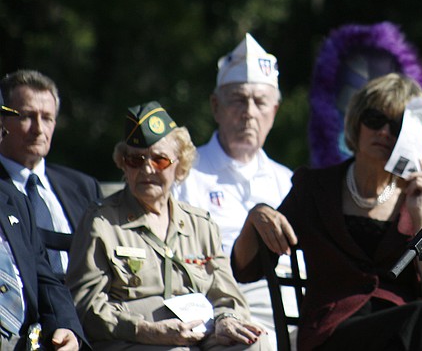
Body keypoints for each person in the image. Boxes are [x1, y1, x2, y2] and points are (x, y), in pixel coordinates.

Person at [231, 73, 422, 351]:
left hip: (411, 333)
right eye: (374, 119)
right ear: (356, 122)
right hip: (336, 332)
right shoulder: (315, 189)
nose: (384, 132)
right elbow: (248, 269)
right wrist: (256, 216)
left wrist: (419, 217)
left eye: (396, 126)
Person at [66, 101, 269, 350]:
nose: (147, 169)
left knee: (255, 344)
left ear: (179, 166)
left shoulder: (200, 225)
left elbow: (227, 296)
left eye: (159, 160)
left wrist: (226, 319)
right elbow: (84, 305)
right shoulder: (101, 223)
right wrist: (146, 331)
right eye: (135, 160)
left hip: (201, 334)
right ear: (123, 164)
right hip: (134, 340)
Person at [173, 34, 294, 346]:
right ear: (216, 106)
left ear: (275, 111)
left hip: (294, 307)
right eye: (239, 99)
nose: (249, 111)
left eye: (260, 102)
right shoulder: (184, 176)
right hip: (222, 311)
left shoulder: (289, 182)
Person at [0, 88, 84, 351]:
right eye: (27, 116)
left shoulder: (13, 200)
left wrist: (66, 326)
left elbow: (44, 277)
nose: (38, 129)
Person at [0, 69, 102, 277]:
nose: (38, 129)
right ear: (3, 121)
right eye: (27, 116)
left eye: (47, 118)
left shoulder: (83, 187)